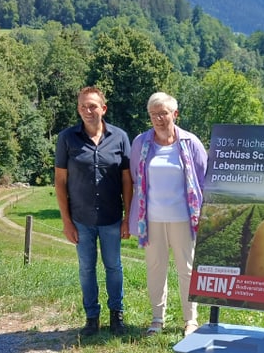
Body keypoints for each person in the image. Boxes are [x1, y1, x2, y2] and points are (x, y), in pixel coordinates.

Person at [54, 86, 133, 337]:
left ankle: (116, 316)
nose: (87, 111)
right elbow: (60, 182)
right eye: (82, 107)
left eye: (92, 106)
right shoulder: (67, 138)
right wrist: (66, 222)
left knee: (114, 267)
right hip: (81, 219)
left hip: (111, 218)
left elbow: (127, 181)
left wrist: (127, 218)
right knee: (86, 269)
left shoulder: (120, 137)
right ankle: (91, 318)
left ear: (103, 108)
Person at [129, 92, 208, 337]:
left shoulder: (190, 142)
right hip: (151, 218)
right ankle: (157, 318)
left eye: (163, 113)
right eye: (154, 114)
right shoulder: (141, 143)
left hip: (184, 218)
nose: (159, 119)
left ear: (175, 114)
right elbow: (135, 178)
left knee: (187, 269)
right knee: (155, 268)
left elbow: (203, 177)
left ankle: (191, 320)